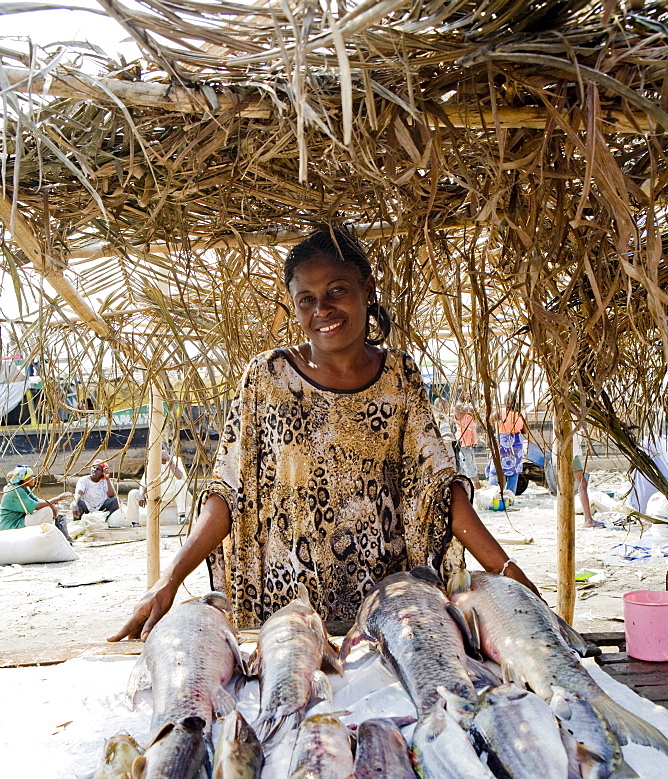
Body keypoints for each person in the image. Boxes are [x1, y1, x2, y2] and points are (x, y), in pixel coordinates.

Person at [110, 228, 538, 642]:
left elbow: (440, 488)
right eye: (306, 300)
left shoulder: (400, 376)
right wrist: (169, 578)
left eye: (336, 291)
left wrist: (506, 571)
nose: (323, 310)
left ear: (367, 290)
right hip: (289, 609)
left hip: (386, 604)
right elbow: (229, 492)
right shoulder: (267, 377)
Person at [125, 442, 191, 527]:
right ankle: (134, 523)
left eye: (163, 449)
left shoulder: (175, 460)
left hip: (174, 498)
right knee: (133, 493)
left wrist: (168, 459)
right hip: (158, 499)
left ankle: (181, 515)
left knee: (180, 483)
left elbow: (180, 476)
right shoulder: (152, 463)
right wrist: (142, 494)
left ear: (167, 450)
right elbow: (143, 484)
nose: (161, 451)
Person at [0, 466, 72, 540]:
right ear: (24, 480)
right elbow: (36, 506)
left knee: (47, 508)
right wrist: (59, 498)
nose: (33, 478)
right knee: (46, 511)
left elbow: (37, 500)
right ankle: (47, 537)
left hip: (18, 519)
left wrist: (52, 506)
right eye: (30, 477)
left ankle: (47, 535)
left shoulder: (23, 487)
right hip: (11, 525)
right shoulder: (17, 490)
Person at [551, 429, 603, 528]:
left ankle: (584, 519)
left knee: (575, 484)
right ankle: (588, 519)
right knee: (582, 484)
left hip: (568, 452)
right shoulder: (569, 416)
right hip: (570, 453)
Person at [485, 395, 527, 496]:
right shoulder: (522, 413)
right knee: (514, 471)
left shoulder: (498, 413)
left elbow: (488, 424)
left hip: (501, 442)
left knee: (495, 468)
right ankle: (510, 497)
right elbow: (524, 431)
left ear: (504, 402)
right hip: (516, 443)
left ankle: (492, 495)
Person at [454, 402, 481, 489]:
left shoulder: (468, 407)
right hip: (463, 443)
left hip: (468, 444)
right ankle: (478, 488)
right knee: (469, 467)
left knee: (470, 466)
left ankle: (474, 487)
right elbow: (472, 409)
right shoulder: (459, 406)